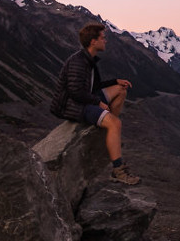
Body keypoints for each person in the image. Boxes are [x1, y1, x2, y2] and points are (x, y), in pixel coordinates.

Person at [51, 23, 140, 185]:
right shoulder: (78, 62)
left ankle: (107, 127)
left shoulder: (88, 59)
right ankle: (118, 170)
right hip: (73, 106)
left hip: (85, 99)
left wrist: (115, 81)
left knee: (120, 89)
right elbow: (75, 92)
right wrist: (98, 102)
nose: (105, 41)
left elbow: (94, 86)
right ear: (93, 41)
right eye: (102, 38)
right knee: (115, 123)